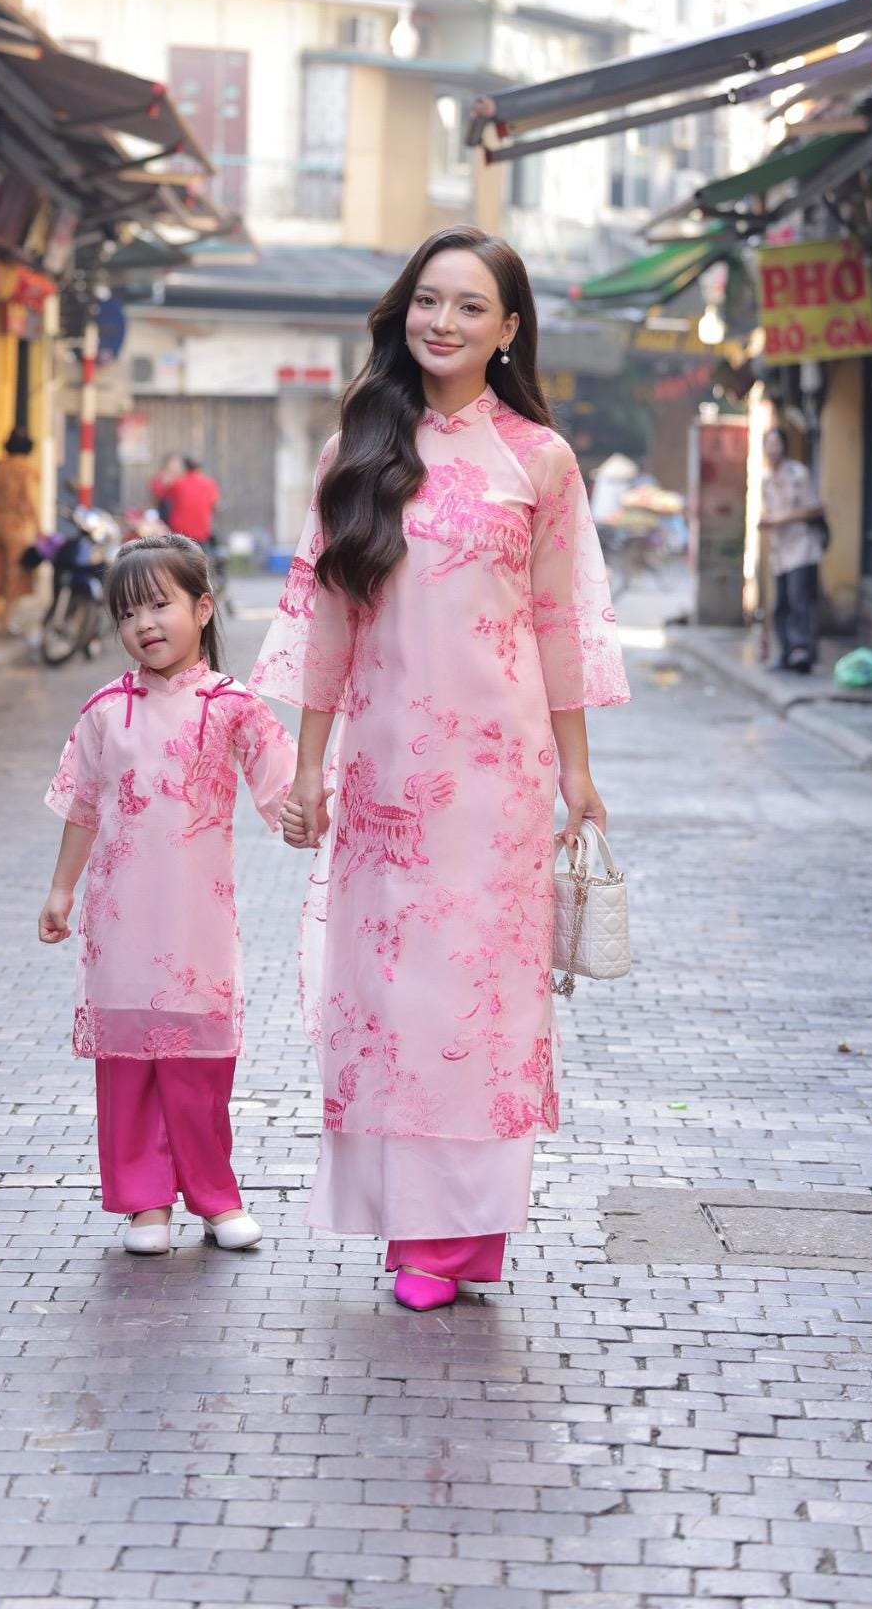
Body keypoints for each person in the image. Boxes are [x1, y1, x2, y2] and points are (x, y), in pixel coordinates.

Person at [251, 225, 630, 1313]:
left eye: (469, 306)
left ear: (508, 328)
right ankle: (417, 1232)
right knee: (394, 996)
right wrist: (310, 767)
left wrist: (576, 772)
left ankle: (469, 1232)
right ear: (401, 312)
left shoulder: (539, 461)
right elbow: (326, 620)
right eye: (427, 300)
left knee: (482, 1001)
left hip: (497, 778)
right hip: (381, 773)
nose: (443, 322)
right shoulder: (357, 449)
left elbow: (559, 623)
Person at [37, 533, 297, 1256]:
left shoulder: (233, 707)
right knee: (128, 1067)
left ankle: (216, 1197)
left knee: (197, 1067)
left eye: (158, 605)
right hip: (119, 922)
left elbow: (284, 791)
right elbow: (83, 808)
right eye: (127, 613)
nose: (143, 624)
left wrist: (314, 817)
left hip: (195, 924)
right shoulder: (103, 712)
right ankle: (144, 1204)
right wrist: (61, 889)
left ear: (202, 608)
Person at [759, 426, 824, 673]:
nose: (773, 450)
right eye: (769, 445)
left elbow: (815, 508)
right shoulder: (767, 481)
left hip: (801, 547)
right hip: (780, 551)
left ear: (784, 447)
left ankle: (801, 650)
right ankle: (786, 652)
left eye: (776, 444)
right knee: (781, 604)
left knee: (799, 600)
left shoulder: (798, 474)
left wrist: (781, 519)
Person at [0, 427, 40, 636]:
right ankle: (6, 621)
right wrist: (39, 527)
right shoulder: (26, 469)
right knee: (14, 573)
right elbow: (29, 499)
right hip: (16, 526)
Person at [162, 457, 221, 545]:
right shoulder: (209, 483)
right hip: (202, 531)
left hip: (180, 531)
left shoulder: (178, 483)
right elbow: (216, 505)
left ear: (184, 468)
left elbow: (164, 495)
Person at [150, 453, 185, 526]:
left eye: (178, 465)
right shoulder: (160, 478)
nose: (176, 468)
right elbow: (156, 496)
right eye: (174, 464)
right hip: (164, 513)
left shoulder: (182, 479)